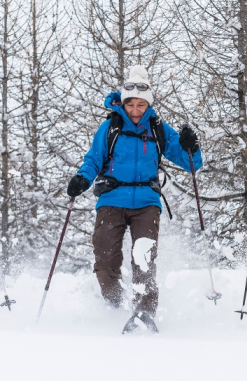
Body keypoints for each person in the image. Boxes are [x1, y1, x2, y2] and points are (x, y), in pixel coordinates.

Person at [67, 65, 202, 334]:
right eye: (131, 104)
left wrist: (191, 146)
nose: (136, 109)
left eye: (141, 104)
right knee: (105, 260)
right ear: (124, 103)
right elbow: (93, 159)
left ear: (148, 104)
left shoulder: (158, 128)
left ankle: (144, 313)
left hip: (146, 203)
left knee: (144, 260)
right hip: (111, 199)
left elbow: (191, 164)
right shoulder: (110, 128)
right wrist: (82, 178)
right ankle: (115, 305)